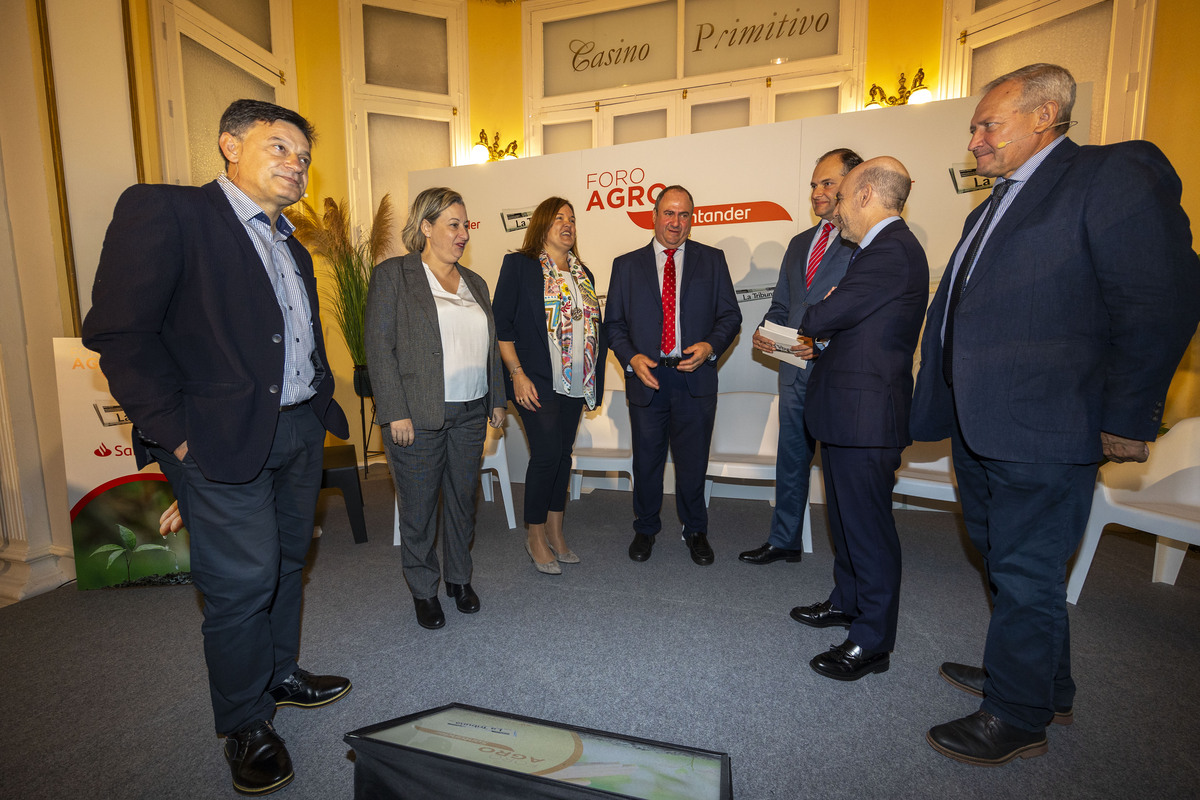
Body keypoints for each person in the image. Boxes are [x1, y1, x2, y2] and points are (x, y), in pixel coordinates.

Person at [911, 63, 1200, 765]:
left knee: (1027, 564)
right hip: (983, 420)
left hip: (1045, 421)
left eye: (989, 125)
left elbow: (1159, 296)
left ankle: (1015, 716)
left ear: (1045, 116)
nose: (975, 141)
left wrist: (1129, 414)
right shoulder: (993, 204)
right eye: (976, 127)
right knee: (1006, 559)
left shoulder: (1111, 175)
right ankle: (1043, 683)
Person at [82, 98, 352, 797]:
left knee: (290, 561)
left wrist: (317, 403)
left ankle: (279, 673)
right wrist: (174, 433)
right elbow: (120, 333)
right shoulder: (168, 211)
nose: (296, 164)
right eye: (280, 146)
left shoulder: (289, 239)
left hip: (295, 427)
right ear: (230, 144)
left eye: (303, 155)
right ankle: (245, 722)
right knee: (240, 583)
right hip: (213, 436)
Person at [789, 157, 928, 681]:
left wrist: (823, 306)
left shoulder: (889, 251)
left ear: (866, 194)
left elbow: (821, 316)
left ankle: (872, 641)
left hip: (867, 415)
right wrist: (828, 306)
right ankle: (847, 602)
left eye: (842, 197)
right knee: (846, 522)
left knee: (867, 530)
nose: (836, 210)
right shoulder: (881, 251)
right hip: (851, 412)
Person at [365, 187, 506, 631]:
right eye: (454, 224)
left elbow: (489, 347)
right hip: (417, 416)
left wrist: (497, 400)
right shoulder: (394, 276)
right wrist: (394, 412)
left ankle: (458, 580)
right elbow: (379, 348)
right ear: (426, 227)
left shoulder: (476, 283)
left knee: (463, 502)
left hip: (469, 414)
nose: (463, 233)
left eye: (466, 225)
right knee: (420, 508)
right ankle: (424, 590)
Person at [605, 185, 742, 565]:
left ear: (691, 220)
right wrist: (631, 358)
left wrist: (710, 346)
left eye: (684, 215)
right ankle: (645, 529)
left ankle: (695, 529)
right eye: (669, 213)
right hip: (648, 378)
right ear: (654, 216)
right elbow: (613, 324)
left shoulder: (712, 261)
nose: (675, 223)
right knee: (646, 461)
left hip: (693, 378)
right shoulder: (626, 265)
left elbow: (731, 316)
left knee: (693, 461)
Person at [742, 147, 863, 565]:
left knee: (841, 472)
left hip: (839, 374)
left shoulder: (865, 242)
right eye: (814, 184)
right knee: (790, 461)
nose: (817, 192)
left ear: (853, 184)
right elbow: (782, 304)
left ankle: (849, 557)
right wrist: (765, 330)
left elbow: (865, 316)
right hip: (793, 372)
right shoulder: (799, 244)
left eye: (828, 183)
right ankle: (784, 541)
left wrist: (824, 345)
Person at [492, 197, 606, 575]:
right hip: (535, 379)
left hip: (574, 381)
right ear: (542, 224)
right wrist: (517, 374)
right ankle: (535, 536)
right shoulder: (520, 266)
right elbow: (501, 326)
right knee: (544, 455)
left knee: (561, 456)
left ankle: (557, 533)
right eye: (559, 218)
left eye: (572, 219)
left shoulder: (582, 273)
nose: (568, 224)